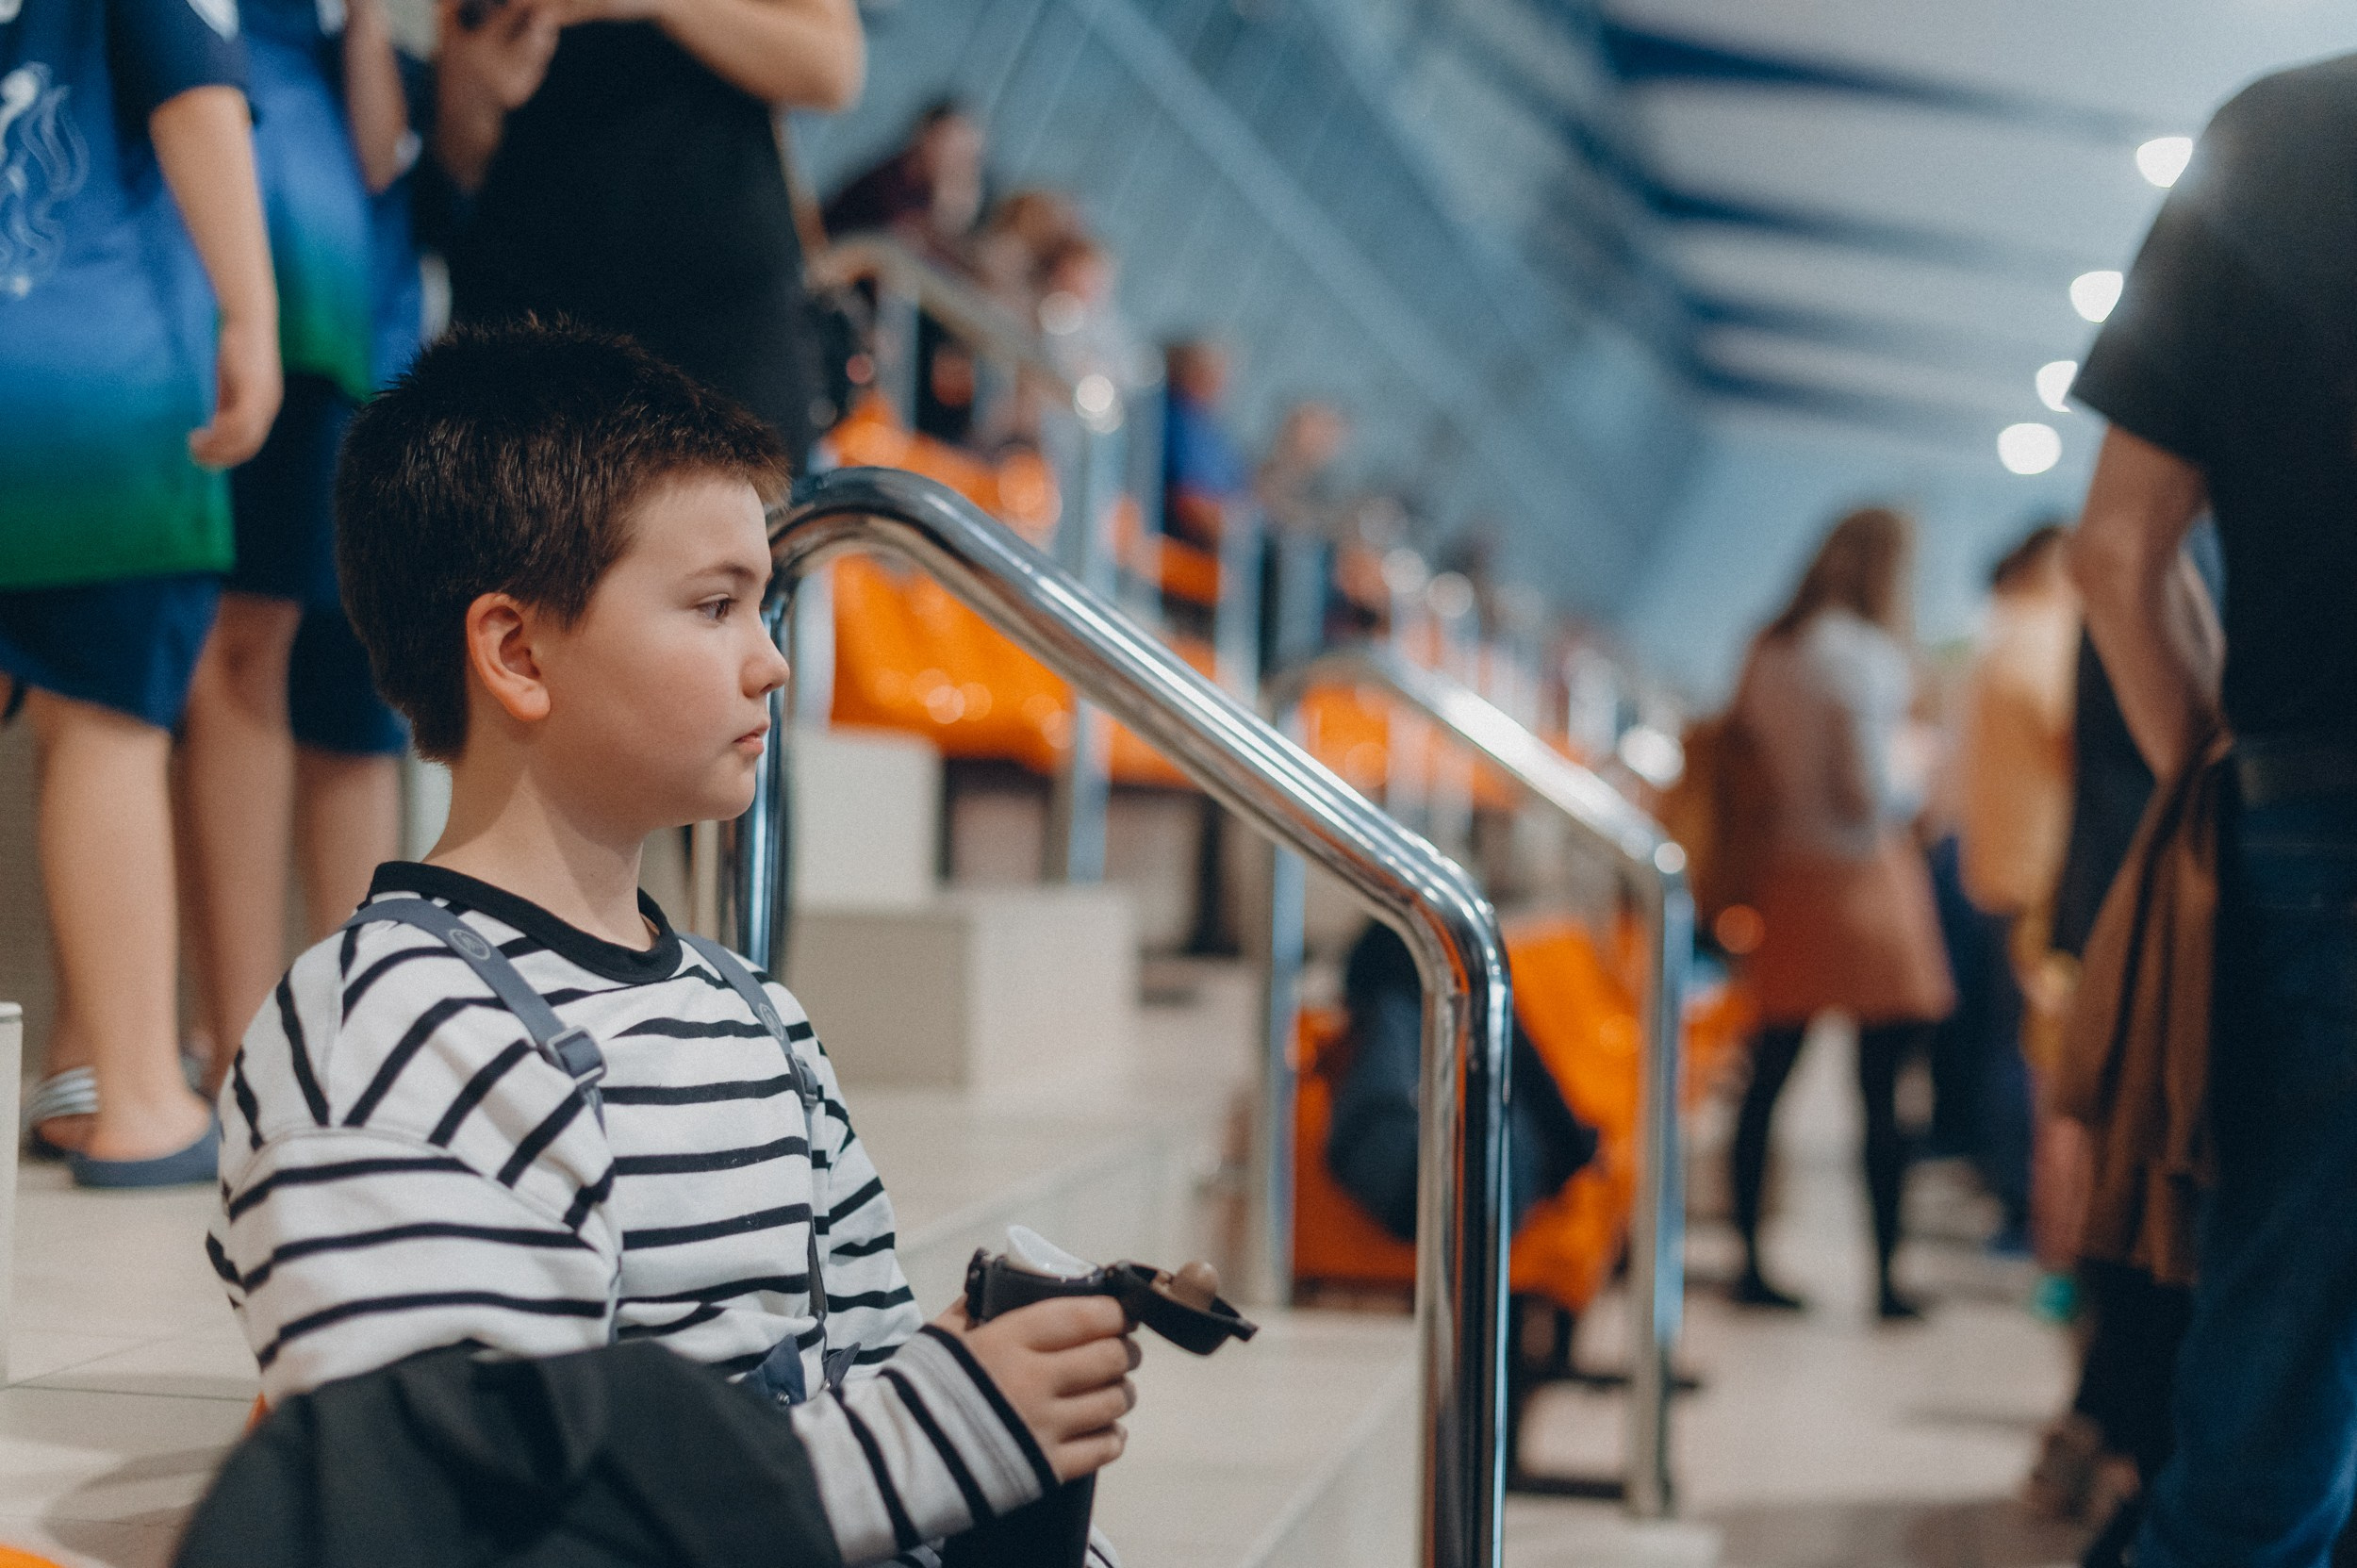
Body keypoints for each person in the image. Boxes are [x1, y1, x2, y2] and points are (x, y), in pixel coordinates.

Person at [208, 322, 1133, 1567]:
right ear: (519, 652)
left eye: (763, 603)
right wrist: (931, 1433)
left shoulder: (757, 1015)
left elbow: (859, 1365)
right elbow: (453, 1498)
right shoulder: (392, 1022)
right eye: (715, 606)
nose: (771, 659)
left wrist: (989, 1421)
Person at [2069, 52, 2357, 1568]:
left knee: (2277, 1393)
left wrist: (2214, 786)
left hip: (2321, 824)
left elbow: (2120, 551)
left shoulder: (2289, 132)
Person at [1, 0, 282, 1182]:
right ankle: (138, 1097)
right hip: (89, 383)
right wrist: (253, 318)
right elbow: (196, 102)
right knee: (105, 729)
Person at [171, 0, 415, 1121]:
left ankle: (342, 1044)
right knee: (235, 641)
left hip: (330, 304)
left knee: (350, 667)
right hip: (204, 277)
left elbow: (377, 156)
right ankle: (236, 1035)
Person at [433, 0, 863, 470]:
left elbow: (833, 71)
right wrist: (482, 85)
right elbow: (458, 163)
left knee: (737, 529)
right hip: (536, 314)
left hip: (721, 318)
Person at [1725, 507, 1955, 1320]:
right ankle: (1886, 1278)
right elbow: (1865, 791)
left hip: (1786, 876)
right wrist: (1920, 776)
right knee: (1883, 1089)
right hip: (1862, 880)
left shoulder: (1771, 648)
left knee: (1768, 1079)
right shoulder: (1863, 656)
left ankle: (1750, 1258)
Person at [1946, 521, 2080, 1252]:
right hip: (2043, 868)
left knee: (2004, 1040)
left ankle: (2014, 1196)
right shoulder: (2048, 636)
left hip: (1996, 860)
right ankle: (2030, 1208)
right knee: (2032, 1054)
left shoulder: (1995, 639)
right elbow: (2072, 741)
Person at [821, 97, 984, 259]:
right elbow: (900, 238)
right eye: (951, 148)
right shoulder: (888, 181)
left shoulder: (923, 191)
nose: (956, 162)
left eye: (964, 155)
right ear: (927, 135)